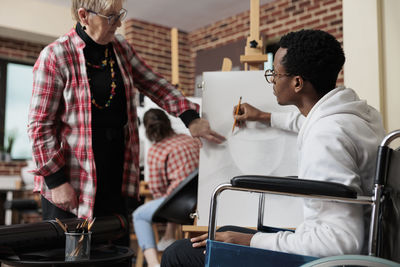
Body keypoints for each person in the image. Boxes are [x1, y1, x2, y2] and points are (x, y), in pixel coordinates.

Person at [161, 29, 386, 266]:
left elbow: (341, 243)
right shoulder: (356, 116)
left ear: (297, 82)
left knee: (179, 253)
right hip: (357, 246)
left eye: (275, 75)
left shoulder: (326, 136)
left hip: (331, 260)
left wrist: (252, 240)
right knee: (225, 230)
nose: (272, 80)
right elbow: (306, 123)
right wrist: (264, 116)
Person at [27, 0, 225, 247]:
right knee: (71, 256)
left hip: (115, 173)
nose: (119, 23)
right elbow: (39, 126)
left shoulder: (120, 47)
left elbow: (154, 83)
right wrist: (56, 181)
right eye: (111, 16)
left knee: (115, 251)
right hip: (72, 181)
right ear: (84, 16)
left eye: (119, 14)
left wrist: (189, 116)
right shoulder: (55, 56)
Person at [133, 108, 201, 267]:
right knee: (174, 194)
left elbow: (157, 190)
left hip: (178, 205)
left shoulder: (156, 151)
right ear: (168, 122)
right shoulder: (188, 139)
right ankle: (168, 238)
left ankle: (152, 263)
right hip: (199, 200)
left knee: (139, 215)